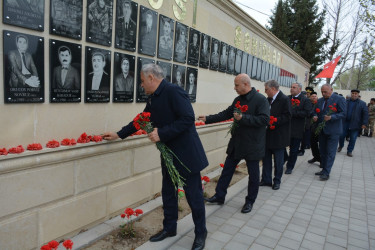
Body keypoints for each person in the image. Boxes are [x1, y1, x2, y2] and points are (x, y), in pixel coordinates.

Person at [103, 64, 208, 250]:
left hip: (187, 155)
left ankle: (201, 233)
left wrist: (162, 133)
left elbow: (187, 119)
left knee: (194, 196)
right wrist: (120, 134)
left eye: (142, 81)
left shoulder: (173, 91)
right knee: (168, 192)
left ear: (151, 78)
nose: (141, 86)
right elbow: (143, 117)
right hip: (169, 154)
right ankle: (170, 228)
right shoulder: (154, 97)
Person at [199, 74, 269, 213]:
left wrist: (244, 117)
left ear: (245, 84)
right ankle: (219, 196)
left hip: (252, 145)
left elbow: (264, 120)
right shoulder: (238, 100)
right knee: (227, 171)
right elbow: (226, 114)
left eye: (236, 85)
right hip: (237, 142)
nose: (234, 88)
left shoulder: (261, 100)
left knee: (253, 176)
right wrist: (207, 118)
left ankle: (250, 201)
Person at [260, 80, 291, 190]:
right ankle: (266, 179)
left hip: (279, 136)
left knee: (278, 161)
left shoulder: (284, 99)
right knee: (266, 159)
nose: (265, 92)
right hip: (267, 135)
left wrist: (275, 120)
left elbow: (288, 116)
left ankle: (277, 180)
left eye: (266, 89)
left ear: (273, 89)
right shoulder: (267, 100)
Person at [312, 84, 346, 180]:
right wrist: (314, 116)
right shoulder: (320, 100)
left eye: (325, 92)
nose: (323, 93)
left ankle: (326, 173)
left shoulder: (339, 99)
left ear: (331, 90)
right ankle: (323, 169)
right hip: (322, 130)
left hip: (333, 130)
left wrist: (332, 117)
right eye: (322, 92)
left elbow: (343, 113)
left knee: (330, 152)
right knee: (322, 151)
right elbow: (315, 111)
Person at [285, 83, 312, 174]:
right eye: (291, 87)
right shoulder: (287, 98)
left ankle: (290, 166)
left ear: (299, 89)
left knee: (294, 149)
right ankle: (285, 158)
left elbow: (307, 113)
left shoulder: (305, 100)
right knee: (281, 147)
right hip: (285, 128)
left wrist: (292, 113)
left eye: (294, 87)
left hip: (297, 129)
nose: (291, 89)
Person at [338, 89, 368, 157]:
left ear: (358, 95)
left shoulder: (362, 103)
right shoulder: (346, 101)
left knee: (353, 138)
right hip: (345, 123)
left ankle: (349, 151)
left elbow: (365, 114)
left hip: (355, 124)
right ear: (351, 94)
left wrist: (364, 123)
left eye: (355, 94)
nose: (354, 95)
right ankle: (340, 146)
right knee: (341, 136)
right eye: (353, 93)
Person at [308, 91, 321, 164]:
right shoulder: (310, 104)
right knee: (313, 143)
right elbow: (312, 112)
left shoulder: (319, 102)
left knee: (321, 145)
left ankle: (322, 160)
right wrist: (314, 115)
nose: (314, 97)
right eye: (312, 96)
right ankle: (316, 157)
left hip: (321, 126)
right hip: (313, 126)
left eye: (315, 96)